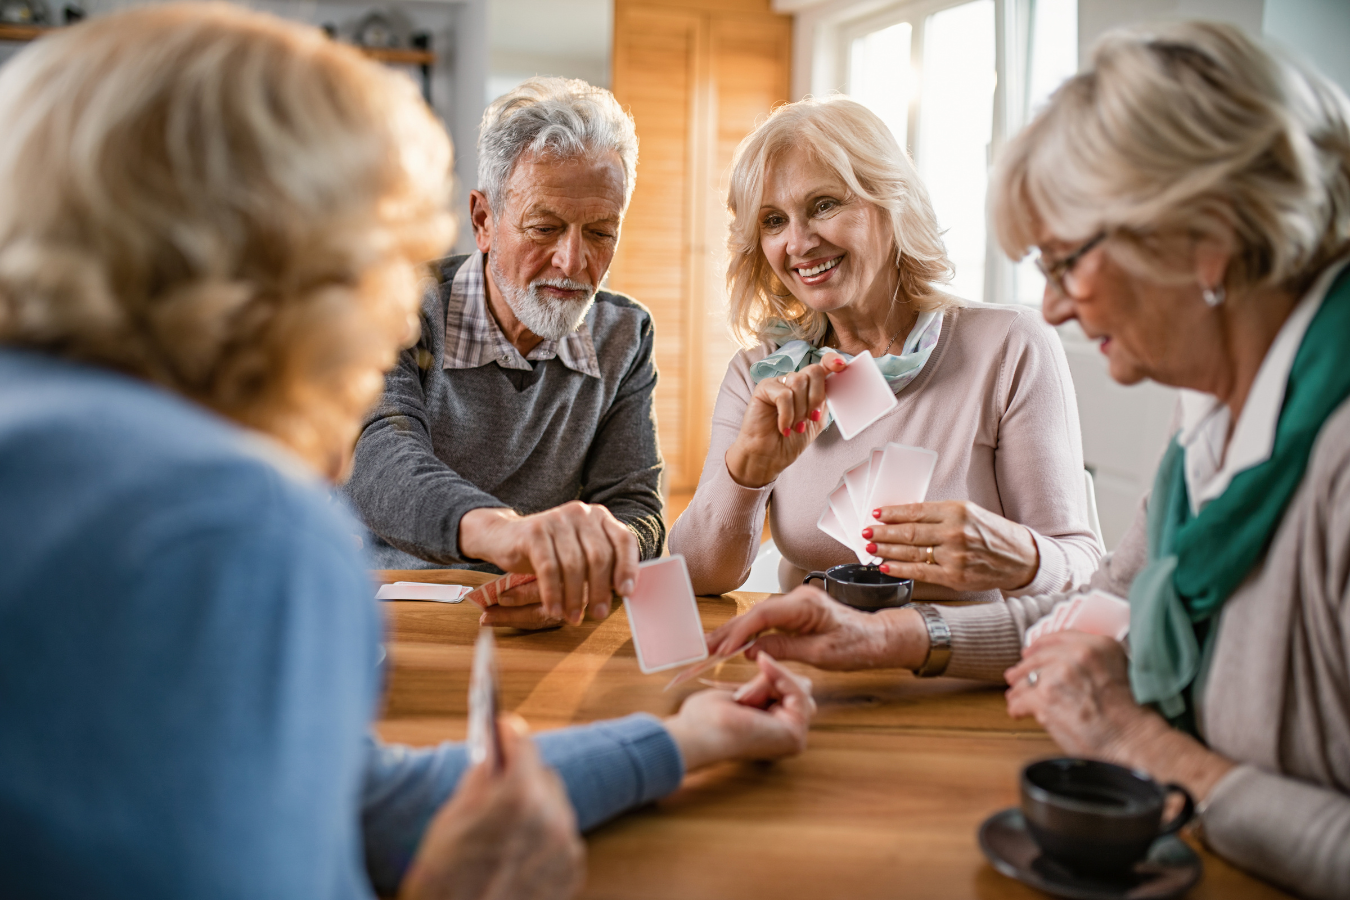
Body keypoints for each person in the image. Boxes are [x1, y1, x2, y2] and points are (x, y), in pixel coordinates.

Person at [0, 7, 816, 899]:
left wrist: (678, 741)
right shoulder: (238, 525)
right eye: (375, 258)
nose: (393, 311)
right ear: (261, 257)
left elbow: (351, 797)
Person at [706, 22, 1350, 899]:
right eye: (774, 221)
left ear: (1205, 236)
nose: (1051, 304)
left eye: (1069, 260)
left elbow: (1081, 588)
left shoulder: (1328, 458)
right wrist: (890, 636)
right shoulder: (1205, 419)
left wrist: (1144, 746)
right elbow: (1104, 609)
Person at [669, 97, 1102, 600]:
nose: (798, 242)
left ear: (891, 202)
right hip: (808, 663)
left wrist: (1013, 553)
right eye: (772, 221)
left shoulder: (1009, 347)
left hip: (960, 665)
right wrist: (745, 474)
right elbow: (694, 580)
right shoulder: (760, 375)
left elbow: (1080, 569)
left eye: (824, 205)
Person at [344, 76, 662, 630]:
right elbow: (379, 457)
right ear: (484, 221)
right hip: (391, 603)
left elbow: (637, 509)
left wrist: (589, 566)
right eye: (545, 228)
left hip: (541, 614)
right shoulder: (399, 304)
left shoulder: (625, 335)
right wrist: (510, 533)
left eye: (601, 232)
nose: (572, 261)